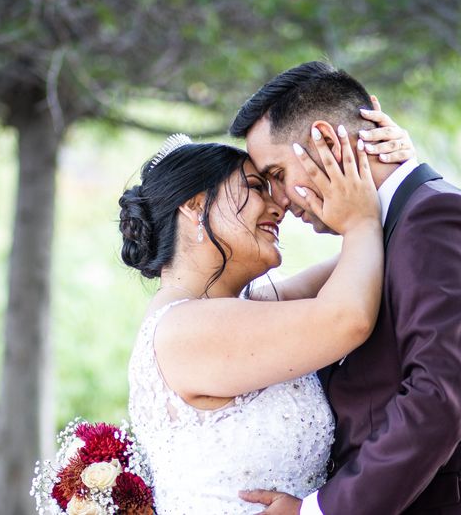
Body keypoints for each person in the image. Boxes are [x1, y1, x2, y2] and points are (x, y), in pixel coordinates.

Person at [231, 61, 461, 515]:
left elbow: (438, 403)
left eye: (277, 175)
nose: (277, 200)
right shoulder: (388, 233)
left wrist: (318, 511)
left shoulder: (442, 222)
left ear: (327, 141)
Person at [122, 117, 415, 513]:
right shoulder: (183, 330)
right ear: (194, 205)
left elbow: (366, 257)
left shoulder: (243, 312)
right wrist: (358, 220)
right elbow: (348, 317)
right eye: (258, 187)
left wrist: (390, 172)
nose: (280, 206)